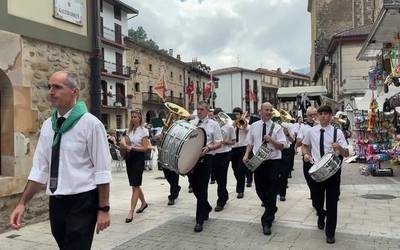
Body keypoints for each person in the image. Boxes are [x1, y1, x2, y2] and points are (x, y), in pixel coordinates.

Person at [9, 71, 111, 249]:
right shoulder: (49, 125)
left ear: (74, 91)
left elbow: (102, 170)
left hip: (83, 200)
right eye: (49, 87)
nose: (50, 91)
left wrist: (103, 209)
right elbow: (40, 169)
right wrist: (22, 203)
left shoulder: (91, 124)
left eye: (57, 87)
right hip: (57, 202)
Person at [302, 105, 349, 244]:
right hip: (317, 172)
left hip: (332, 172)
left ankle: (330, 233)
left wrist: (339, 148)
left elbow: (346, 153)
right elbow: (304, 145)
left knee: (332, 204)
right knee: (316, 201)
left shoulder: (337, 133)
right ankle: (321, 215)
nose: (323, 116)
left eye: (326, 114)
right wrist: (305, 154)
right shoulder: (311, 131)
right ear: (317, 116)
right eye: (321, 113)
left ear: (331, 116)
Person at [243, 102, 286, 236]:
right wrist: (246, 155)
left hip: (273, 162)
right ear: (260, 111)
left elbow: (282, 146)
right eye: (266, 110)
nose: (268, 112)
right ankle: (271, 208)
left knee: (272, 190)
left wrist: (272, 139)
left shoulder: (277, 127)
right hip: (258, 161)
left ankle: (267, 222)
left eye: (270, 110)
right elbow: (250, 143)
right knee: (259, 189)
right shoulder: (254, 126)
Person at [189, 101, 222, 232]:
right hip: (192, 158)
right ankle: (206, 207)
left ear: (207, 111)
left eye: (202, 109)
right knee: (194, 186)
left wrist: (209, 147)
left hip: (206, 157)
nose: (199, 111)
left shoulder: (214, 125)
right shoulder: (192, 123)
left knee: (202, 188)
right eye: (197, 109)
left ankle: (199, 220)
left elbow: (219, 143)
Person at [121, 110, 149, 223]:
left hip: (138, 158)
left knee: (135, 185)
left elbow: (145, 148)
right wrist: (123, 144)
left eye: (135, 116)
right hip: (130, 158)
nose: (133, 118)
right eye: (132, 117)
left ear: (140, 118)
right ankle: (143, 203)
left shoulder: (144, 131)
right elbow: (124, 141)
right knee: (134, 184)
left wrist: (132, 148)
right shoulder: (129, 131)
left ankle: (131, 211)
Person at [213, 108, 236, 211]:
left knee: (222, 178)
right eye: (215, 116)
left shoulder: (229, 127)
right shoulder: (212, 126)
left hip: (225, 153)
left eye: (219, 116)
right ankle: (224, 195)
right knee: (217, 178)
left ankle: (221, 201)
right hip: (213, 154)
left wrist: (225, 142)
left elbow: (233, 142)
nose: (217, 118)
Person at [296, 107, 318, 200]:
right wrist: (302, 139)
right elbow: (298, 141)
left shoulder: (320, 126)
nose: (313, 117)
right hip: (307, 156)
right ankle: (314, 193)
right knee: (308, 177)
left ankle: (316, 197)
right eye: (310, 115)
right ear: (307, 116)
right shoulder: (304, 127)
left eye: (314, 114)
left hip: (318, 156)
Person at [231, 107, 250, 198]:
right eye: (234, 114)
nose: (236, 116)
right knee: (235, 169)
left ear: (241, 114)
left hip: (243, 147)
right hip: (233, 148)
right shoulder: (232, 123)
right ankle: (241, 180)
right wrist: (233, 125)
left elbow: (249, 130)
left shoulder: (245, 121)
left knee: (241, 169)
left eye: (237, 114)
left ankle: (240, 190)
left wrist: (244, 125)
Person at [277, 122, 295, 201]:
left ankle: (282, 194)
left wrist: (287, 134)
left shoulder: (288, 126)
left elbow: (292, 140)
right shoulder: (273, 126)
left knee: (284, 174)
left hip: (285, 151)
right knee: (273, 174)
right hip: (275, 151)